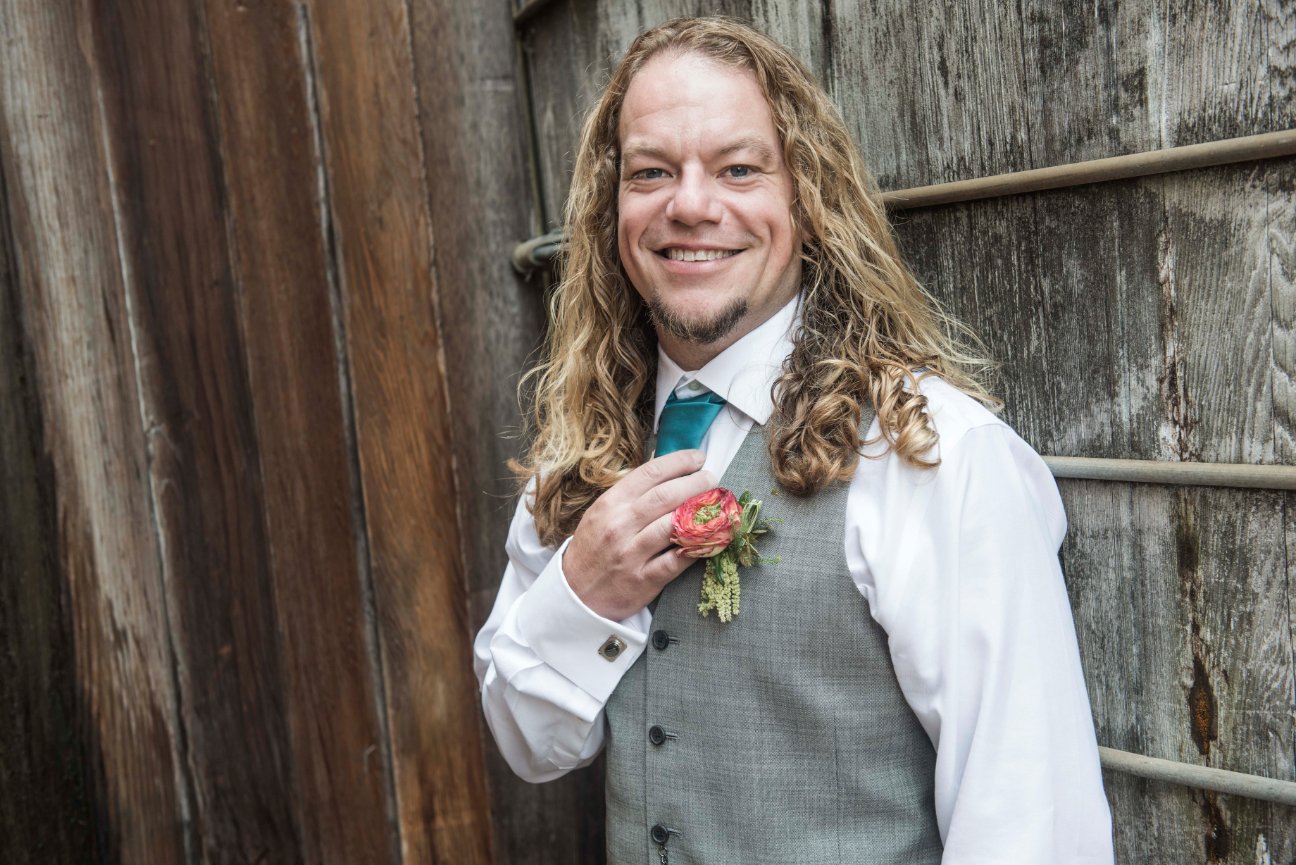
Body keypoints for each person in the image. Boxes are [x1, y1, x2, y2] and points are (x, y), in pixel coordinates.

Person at [475, 16, 1113, 865]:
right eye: (651, 171)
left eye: (738, 169)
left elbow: (1030, 826)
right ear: (610, 208)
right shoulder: (585, 447)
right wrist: (582, 592)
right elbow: (530, 743)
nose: (689, 205)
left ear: (806, 199)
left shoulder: (931, 454)